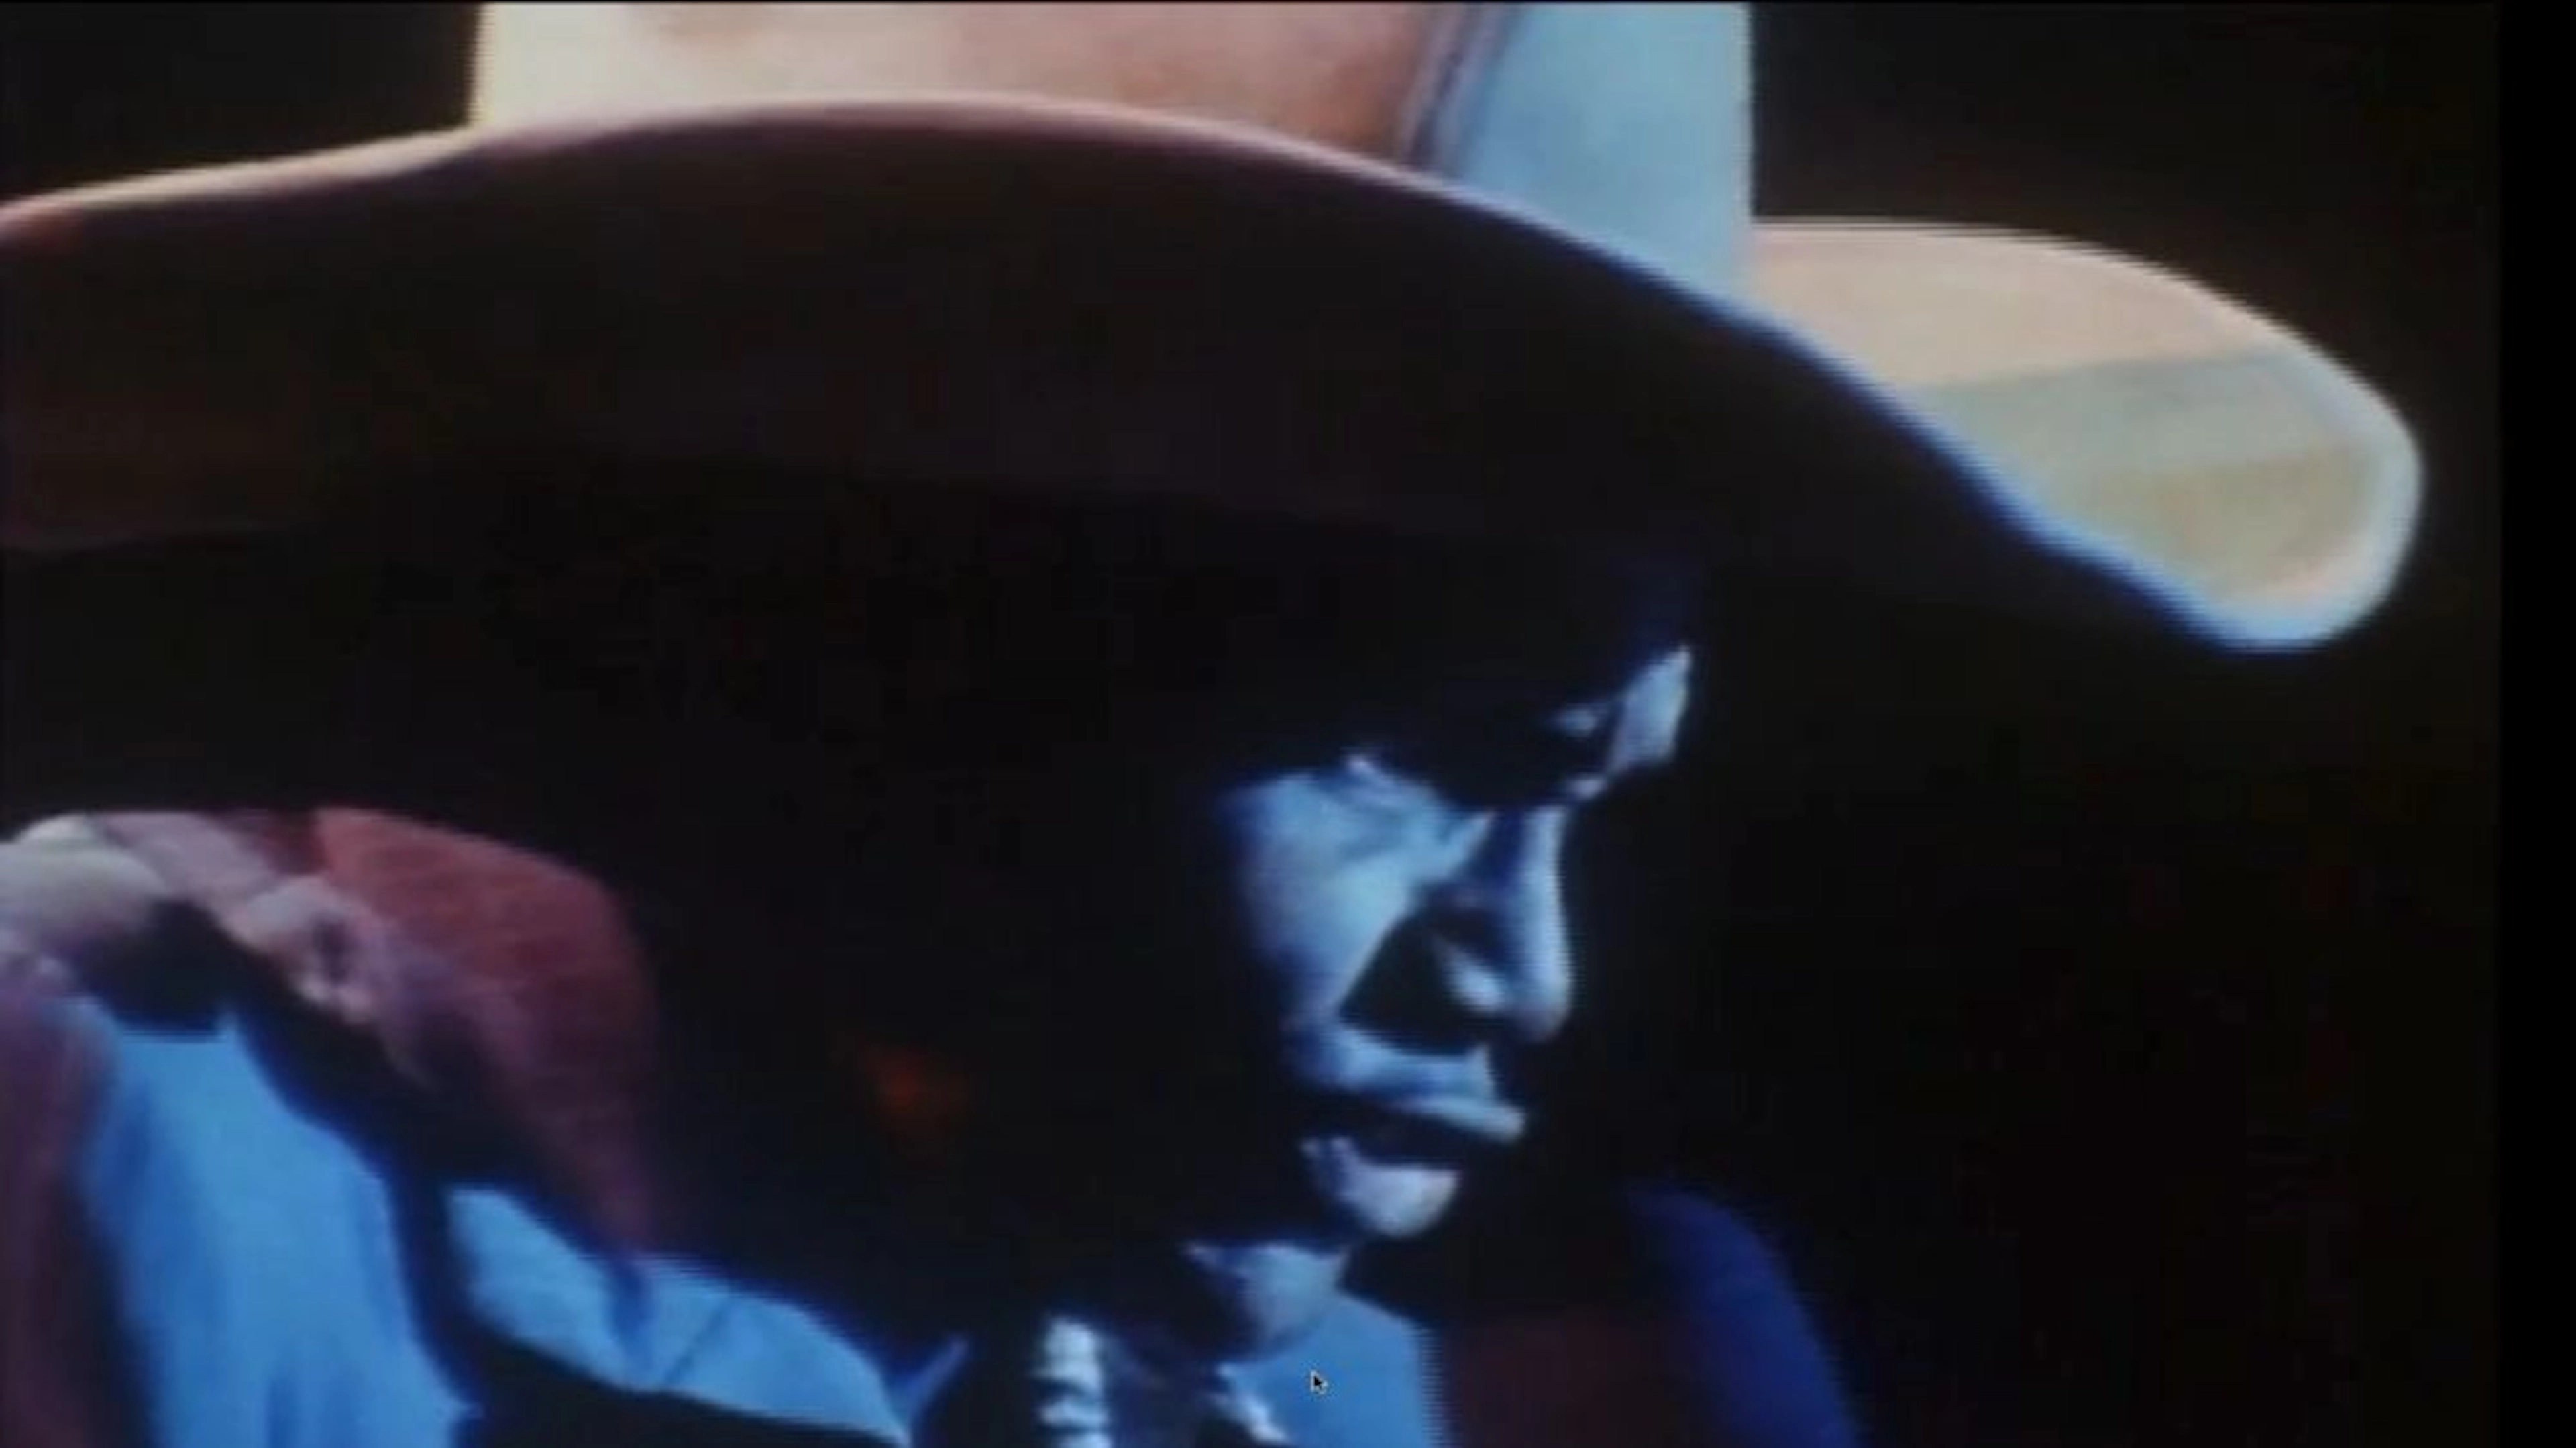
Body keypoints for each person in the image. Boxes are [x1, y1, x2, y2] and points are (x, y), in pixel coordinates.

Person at [0, 5, 2418, 1446]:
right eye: (1411, 764)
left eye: (1580, 796)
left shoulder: (1379, 1375)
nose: (1520, 981)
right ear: (838, 644)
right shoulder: (96, 1165)